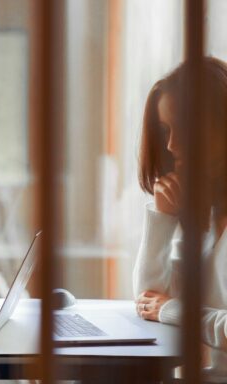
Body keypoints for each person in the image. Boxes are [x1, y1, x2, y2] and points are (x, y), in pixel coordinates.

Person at [133, 57, 227, 379]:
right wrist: (162, 218)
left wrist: (173, 310)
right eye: (165, 130)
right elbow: (148, 299)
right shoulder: (208, 216)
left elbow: (164, 307)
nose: (171, 145)